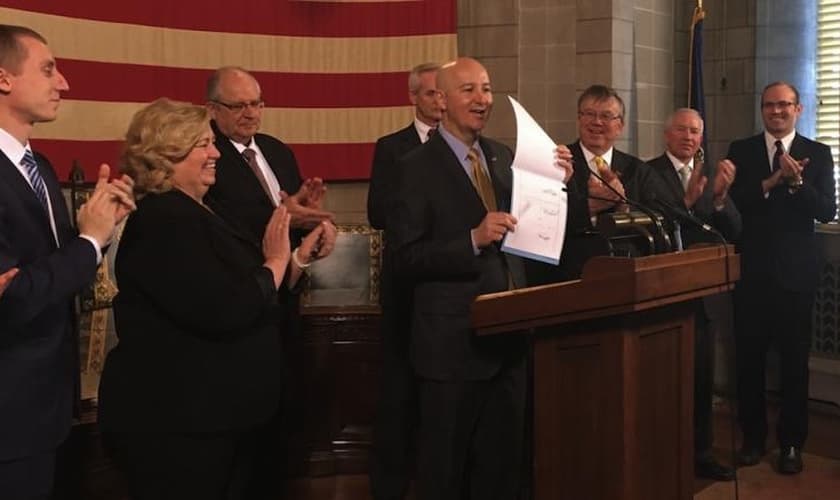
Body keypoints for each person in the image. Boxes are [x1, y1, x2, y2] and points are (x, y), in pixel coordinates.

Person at [96, 98, 335, 500]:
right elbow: (226, 308)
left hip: (215, 418)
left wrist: (296, 259)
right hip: (178, 423)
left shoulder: (202, 210)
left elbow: (244, 284)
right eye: (203, 144)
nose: (215, 153)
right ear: (167, 154)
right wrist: (277, 259)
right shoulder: (163, 220)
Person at [388, 57, 573, 500]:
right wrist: (470, 239)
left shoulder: (501, 156)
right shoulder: (414, 167)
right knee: (444, 471)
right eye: (469, 90)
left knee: (502, 469)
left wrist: (555, 185)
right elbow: (403, 259)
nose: (482, 99)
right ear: (441, 101)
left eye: (487, 89)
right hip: (451, 348)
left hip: (508, 342)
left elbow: (525, 233)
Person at [0, 25, 135, 499]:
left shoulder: (40, 167)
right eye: (48, 69)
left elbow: (48, 279)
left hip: (47, 408)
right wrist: (89, 242)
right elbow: (14, 299)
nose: (65, 84)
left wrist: (92, 232)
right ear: (3, 78)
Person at [727, 81, 836, 474]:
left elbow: (826, 210)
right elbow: (731, 206)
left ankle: (791, 443)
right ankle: (752, 439)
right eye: (770, 106)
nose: (777, 112)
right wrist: (769, 183)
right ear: (762, 110)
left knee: (794, 364)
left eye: (784, 105)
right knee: (749, 362)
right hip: (752, 273)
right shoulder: (741, 150)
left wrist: (797, 183)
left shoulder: (818, 154)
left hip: (796, 276)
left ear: (798, 109)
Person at [646, 108, 741, 481]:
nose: (689, 137)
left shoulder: (710, 174)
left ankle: (700, 452)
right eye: (682, 130)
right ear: (666, 135)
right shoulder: (647, 173)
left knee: (702, 381)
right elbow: (651, 226)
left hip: (704, 297)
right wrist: (685, 203)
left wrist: (718, 199)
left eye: (696, 131)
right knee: (663, 382)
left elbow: (735, 229)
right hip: (662, 294)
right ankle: (661, 452)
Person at [367, 61, 441, 500]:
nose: (439, 101)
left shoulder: (465, 149)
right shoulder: (391, 147)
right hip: (406, 286)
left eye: (442, 93)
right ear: (413, 97)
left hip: (449, 283)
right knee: (398, 389)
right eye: (430, 93)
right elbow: (378, 212)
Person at [205, 66, 333, 239]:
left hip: (291, 262)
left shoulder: (278, 151)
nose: (250, 114)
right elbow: (217, 223)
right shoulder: (205, 155)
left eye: (255, 104)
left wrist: (312, 218)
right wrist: (283, 218)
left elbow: (297, 216)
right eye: (238, 106)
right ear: (213, 109)